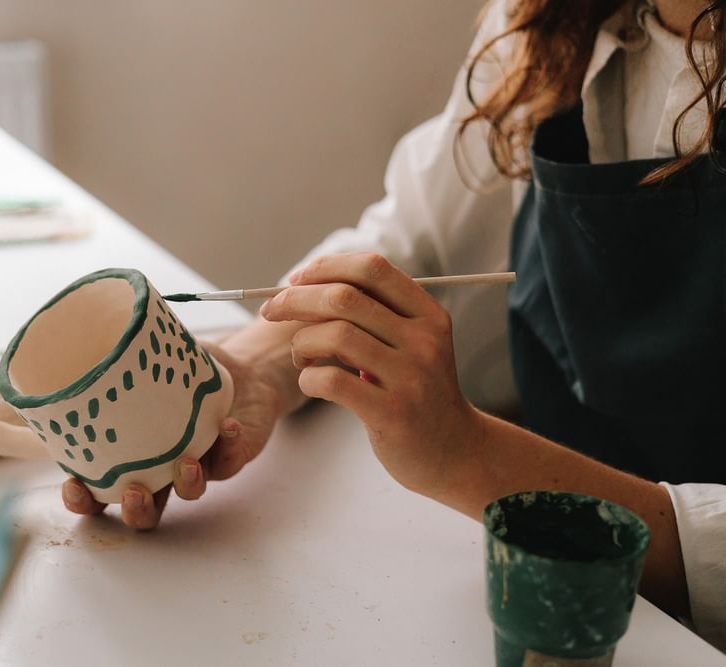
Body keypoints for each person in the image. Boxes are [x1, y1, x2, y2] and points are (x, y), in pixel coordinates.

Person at [62, 0, 726, 651]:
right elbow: (413, 238)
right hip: (542, 590)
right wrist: (252, 369)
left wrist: (469, 455)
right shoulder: (552, 19)